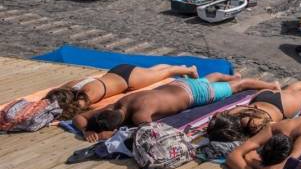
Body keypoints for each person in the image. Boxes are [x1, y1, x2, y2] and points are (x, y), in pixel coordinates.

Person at [73, 74, 279, 142]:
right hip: (179, 85)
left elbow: (145, 134)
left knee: (239, 87)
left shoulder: (140, 116)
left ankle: (271, 85)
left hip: (194, 95)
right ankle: (228, 76)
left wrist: (100, 135)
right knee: (210, 79)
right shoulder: (118, 104)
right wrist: (86, 128)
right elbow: (80, 118)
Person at [44, 64, 199, 120]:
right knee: (152, 72)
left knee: (166, 73)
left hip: (128, 79)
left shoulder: (88, 93)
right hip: (119, 72)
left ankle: (191, 70)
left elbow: (77, 110)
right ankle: (182, 65)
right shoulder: (71, 85)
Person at [207, 77, 301, 142]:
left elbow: (273, 127)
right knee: (289, 90)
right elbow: (216, 115)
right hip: (261, 96)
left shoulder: (252, 127)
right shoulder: (232, 114)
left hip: (282, 107)